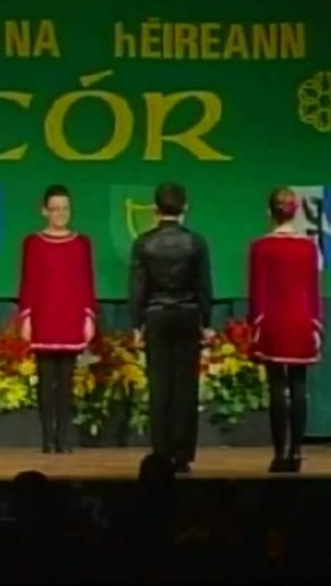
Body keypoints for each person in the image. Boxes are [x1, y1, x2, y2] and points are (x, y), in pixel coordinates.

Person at [129, 182, 214, 473]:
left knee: (160, 386)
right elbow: (204, 286)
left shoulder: (144, 243)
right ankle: (183, 454)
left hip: (156, 316)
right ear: (185, 207)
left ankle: (161, 453)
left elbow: (137, 287)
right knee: (186, 387)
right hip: (188, 315)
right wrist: (206, 321)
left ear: (155, 209)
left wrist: (137, 323)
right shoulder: (195, 242)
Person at [16, 184, 98, 454]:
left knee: (66, 382)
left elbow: (86, 282)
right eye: (55, 209)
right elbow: (28, 282)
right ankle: (47, 438)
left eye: (65, 209)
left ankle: (63, 438)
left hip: (71, 316)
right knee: (46, 380)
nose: (60, 214)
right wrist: (26, 317)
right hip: (44, 316)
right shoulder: (33, 243)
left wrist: (88, 316)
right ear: (44, 211)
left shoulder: (81, 243)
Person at [246, 187, 323, 473]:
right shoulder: (308, 247)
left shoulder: (260, 247)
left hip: (273, 322)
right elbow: (314, 291)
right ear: (296, 211)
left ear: (269, 212)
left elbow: (257, 291)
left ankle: (279, 453)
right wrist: (316, 324)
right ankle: (297, 451)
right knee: (299, 385)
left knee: (277, 386)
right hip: (302, 321)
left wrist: (256, 324)